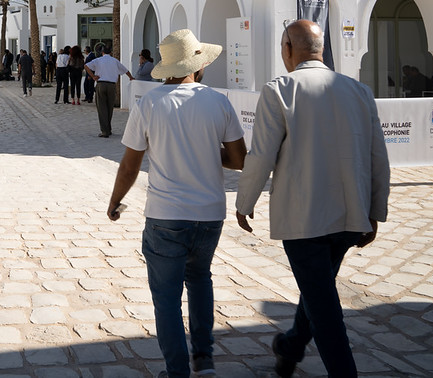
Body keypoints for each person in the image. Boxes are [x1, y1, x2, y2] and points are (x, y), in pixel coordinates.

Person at [235, 20, 390, 378]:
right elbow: (378, 156)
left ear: (287, 48)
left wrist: (245, 202)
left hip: (303, 218)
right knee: (318, 288)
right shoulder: (358, 91)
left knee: (324, 305)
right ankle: (290, 346)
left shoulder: (280, 90)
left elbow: (261, 154)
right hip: (351, 214)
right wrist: (375, 211)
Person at [107, 28, 247, 378]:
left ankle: (177, 371)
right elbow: (239, 158)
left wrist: (115, 202)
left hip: (165, 216)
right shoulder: (218, 101)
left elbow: (130, 166)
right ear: (197, 65)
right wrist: (204, 151)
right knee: (200, 281)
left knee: (166, 298)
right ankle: (204, 360)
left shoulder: (149, 104)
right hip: (209, 215)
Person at [84, 43, 134, 137]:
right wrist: (131, 77)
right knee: (109, 108)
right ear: (110, 52)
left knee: (102, 108)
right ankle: (108, 128)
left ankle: (105, 131)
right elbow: (126, 70)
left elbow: (86, 66)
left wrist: (93, 76)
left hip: (101, 84)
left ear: (102, 52)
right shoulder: (114, 61)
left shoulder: (98, 60)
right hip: (111, 85)